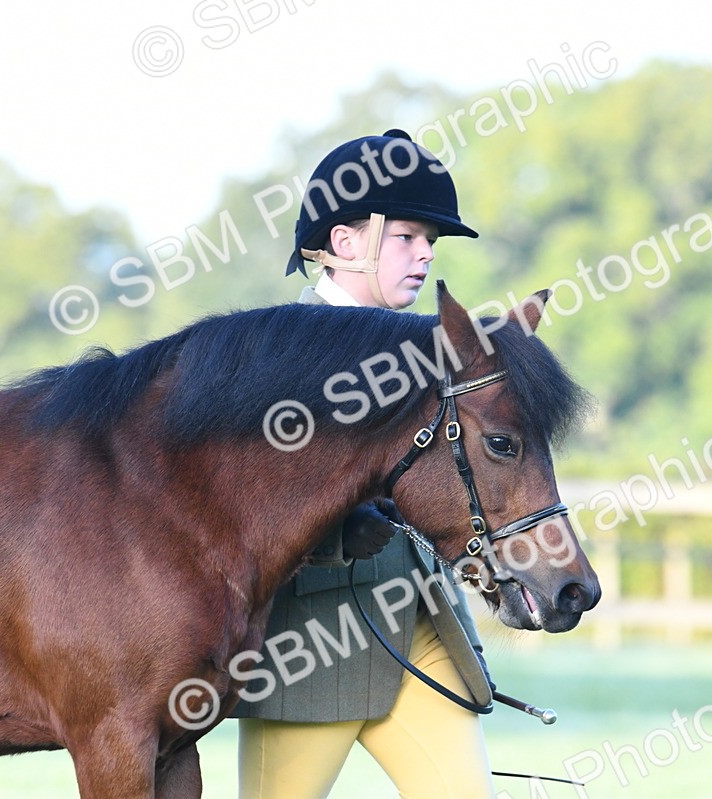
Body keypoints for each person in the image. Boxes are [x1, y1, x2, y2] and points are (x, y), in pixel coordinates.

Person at [232, 129, 497, 799]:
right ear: (346, 242)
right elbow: (244, 511)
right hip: (311, 654)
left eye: (429, 243)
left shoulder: (430, 354)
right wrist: (335, 533)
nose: (425, 255)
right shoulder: (274, 354)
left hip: (424, 636)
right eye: (408, 237)